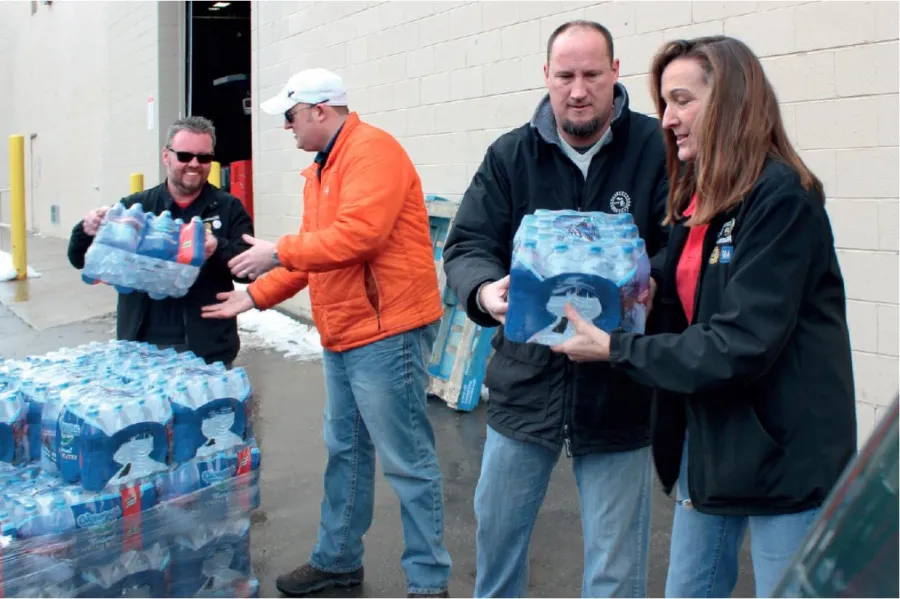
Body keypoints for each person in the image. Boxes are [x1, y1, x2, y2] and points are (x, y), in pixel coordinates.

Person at [550, 35, 857, 598]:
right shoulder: (707, 198)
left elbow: (739, 341)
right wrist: (641, 285)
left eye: (682, 100)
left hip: (782, 456)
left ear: (732, 102)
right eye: (665, 103)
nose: (668, 119)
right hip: (712, 443)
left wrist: (616, 348)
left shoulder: (781, 200)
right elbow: (692, 271)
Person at [200, 68, 452, 598]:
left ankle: (429, 583)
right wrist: (255, 296)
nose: (287, 128)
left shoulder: (371, 152)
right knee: (347, 451)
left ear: (320, 110)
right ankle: (337, 559)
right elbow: (316, 254)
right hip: (345, 332)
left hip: (388, 331)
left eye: (290, 117)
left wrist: (279, 250)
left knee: (408, 462)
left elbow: (357, 236)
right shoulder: (323, 169)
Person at [441, 20, 670, 598]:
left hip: (620, 391)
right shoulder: (512, 155)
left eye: (592, 74)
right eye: (565, 75)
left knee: (616, 572)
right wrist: (485, 290)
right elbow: (468, 243)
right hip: (524, 385)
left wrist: (650, 285)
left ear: (616, 74)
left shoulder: (655, 150)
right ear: (546, 77)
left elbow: (682, 241)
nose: (578, 89)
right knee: (497, 545)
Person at [67, 116, 254, 367]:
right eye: (185, 156)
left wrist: (216, 248)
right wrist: (86, 229)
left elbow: (248, 272)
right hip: (142, 346)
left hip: (208, 349)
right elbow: (79, 259)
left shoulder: (228, 207)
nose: (195, 165)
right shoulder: (138, 206)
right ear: (166, 156)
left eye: (204, 157)